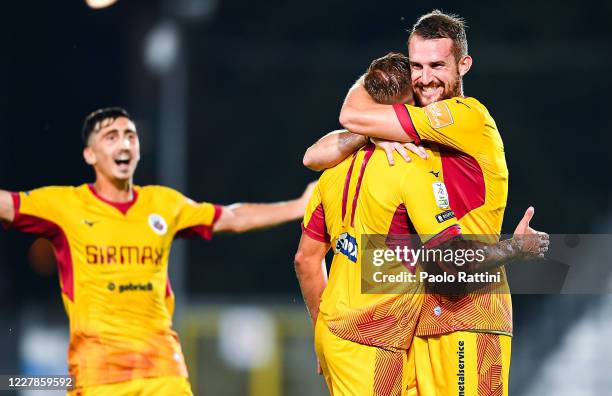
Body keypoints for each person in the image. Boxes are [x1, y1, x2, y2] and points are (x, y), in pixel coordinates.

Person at [0, 107, 314, 395]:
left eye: (130, 136)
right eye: (111, 137)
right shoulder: (64, 206)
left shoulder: (163, 204)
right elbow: (7, 205)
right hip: (98, 374)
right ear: (90, 154)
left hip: (162, 368)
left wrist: (298, 207)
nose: (124, 144)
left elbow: (232, 217)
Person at [295, 52, 548, 395]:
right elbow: (451, 256)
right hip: (380, 337)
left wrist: (320, 330)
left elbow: (306, 259)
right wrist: (516, 247)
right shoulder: (413, 167)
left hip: (345, 331)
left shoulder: (333, 170)